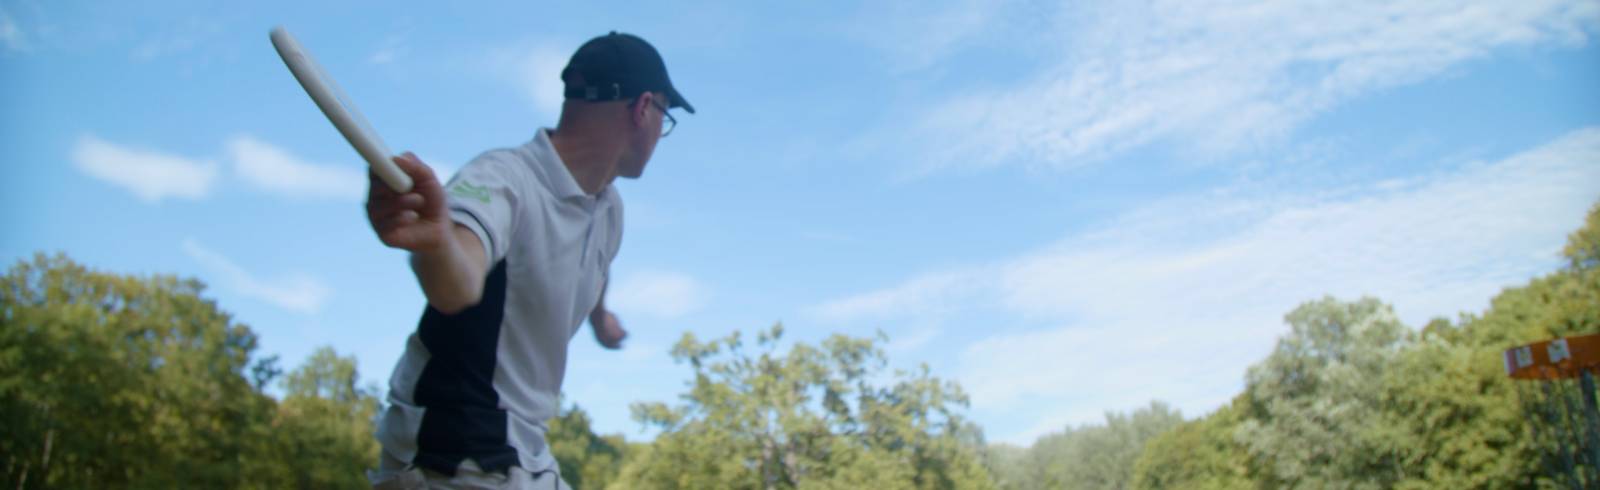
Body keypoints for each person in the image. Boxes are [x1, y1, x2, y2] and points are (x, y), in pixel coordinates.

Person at [364, 31, 693, 489]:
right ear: (643, 109)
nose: (662, 131)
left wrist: (601, 317)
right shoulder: (503, 180)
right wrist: (436, 243)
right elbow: (456, 282)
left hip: (525, 448)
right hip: (459, 449)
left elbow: (590, 259)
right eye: (665, 116)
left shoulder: (609, 208)